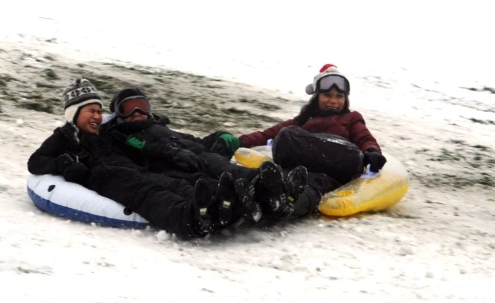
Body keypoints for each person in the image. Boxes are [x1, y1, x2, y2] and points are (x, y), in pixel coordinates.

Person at [27, 79, 220, 239]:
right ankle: (187, 220)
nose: (97, 116)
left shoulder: (106, 132)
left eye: (99, 111)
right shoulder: (62, 137)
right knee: (147, 194)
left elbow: (131, 144)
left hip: (133, 169)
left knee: (172, 181)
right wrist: (64, 164)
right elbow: (35, 162)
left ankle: (220, 202)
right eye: (91, 111)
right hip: (107, 177)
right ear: (75, 114)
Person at [100, 87, 308, 226]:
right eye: (127, 108)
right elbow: (130, 164)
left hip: (195, 155)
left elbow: (194, 141)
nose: (136, 112)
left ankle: (270, 188)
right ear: (118, 114)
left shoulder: (163, 129)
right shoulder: (120, 136)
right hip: (170, 167)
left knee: (216, 162)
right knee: (204, 179)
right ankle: (237, 201)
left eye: (141, 106)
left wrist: (217, 138)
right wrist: (163, 151)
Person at [238, 64, 387, 217]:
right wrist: (240, 141)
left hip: (332, 166)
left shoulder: (351, 118)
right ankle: (244, 199)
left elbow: (364, 137)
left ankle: (287, 204)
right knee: (287, 150)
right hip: (301, 166)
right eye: (327, 95)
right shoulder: (304, 120)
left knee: (314, 184)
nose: (333, 101)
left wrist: (371, 152)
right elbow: (269, 133)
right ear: (316, 97)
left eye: (339, 96)